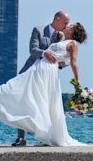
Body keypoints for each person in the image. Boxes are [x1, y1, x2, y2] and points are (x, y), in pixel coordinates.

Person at [0, 23, 88, 147]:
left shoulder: (73, 44)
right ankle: (46, 134)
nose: (67, 26)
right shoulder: (62, 39)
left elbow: (74, 62)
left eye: (70, 25)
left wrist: (77, 81)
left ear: (73, 31)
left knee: (18, 86)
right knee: (21, 89)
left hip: (46, 70)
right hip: (40, 67)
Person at [11, 10, 71, 146]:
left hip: (48, 77)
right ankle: (21, 138)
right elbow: (33, 50)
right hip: (31, 72)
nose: (68, 25)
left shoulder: (64, 36)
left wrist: (62, 63)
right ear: (57, 19)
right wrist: (45, 53)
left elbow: (68, 58)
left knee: (48, 105)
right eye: (66, 22)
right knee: (24, 103)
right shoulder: (38, 30)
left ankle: (47, 138)